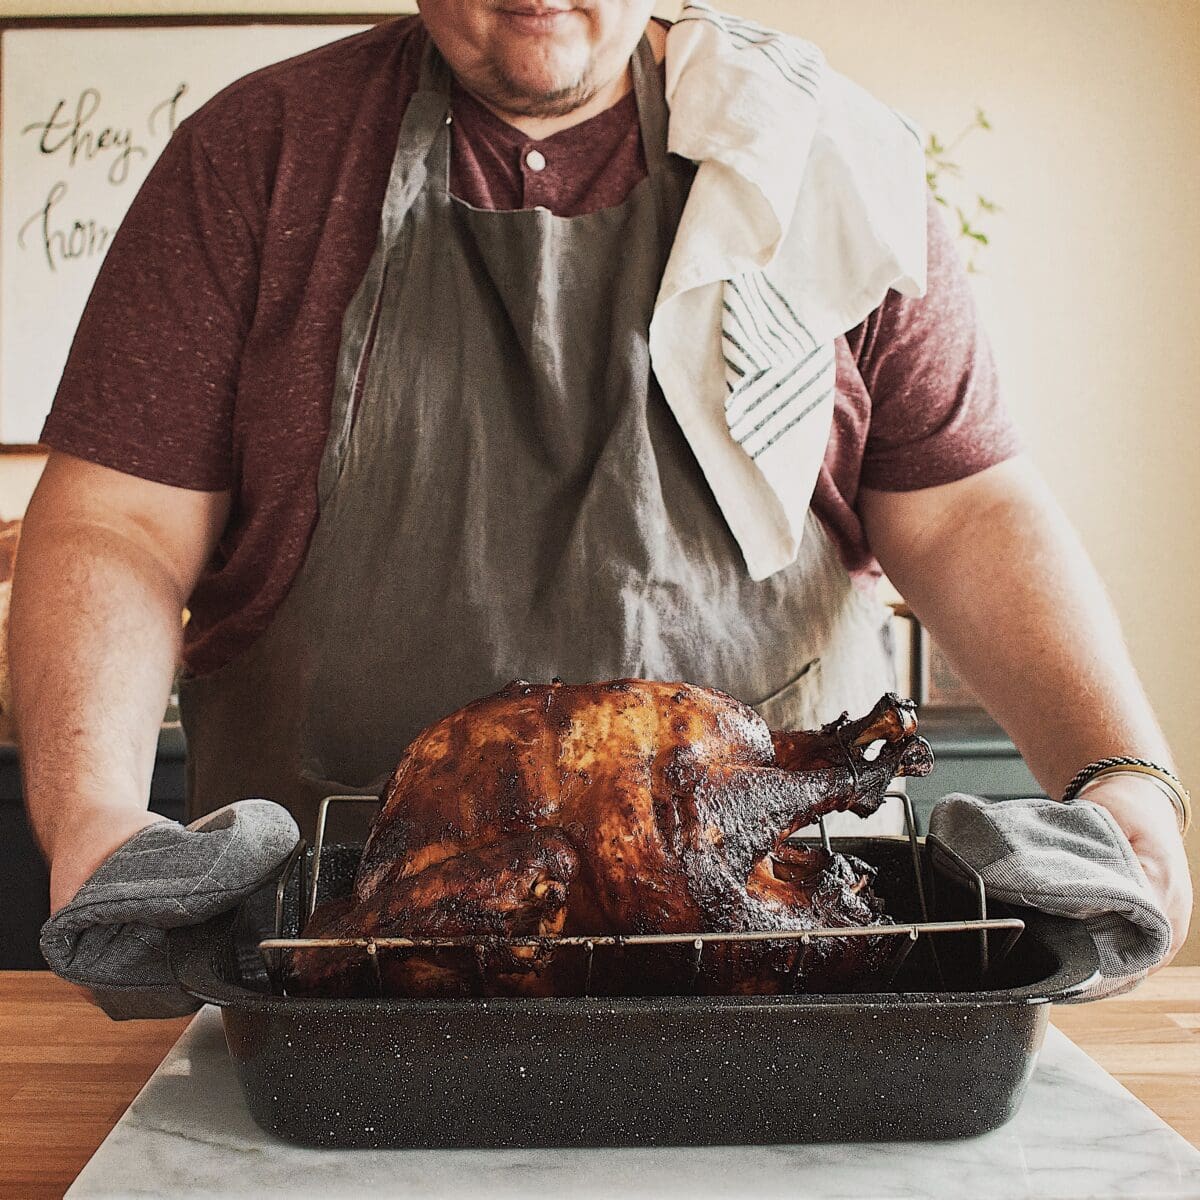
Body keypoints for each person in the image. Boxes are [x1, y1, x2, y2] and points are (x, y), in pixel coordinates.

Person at [11, 0, 1190, 977]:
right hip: (338, 969)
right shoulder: (256, 158)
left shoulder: (829, 164)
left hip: (783, 981)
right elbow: (117, 523)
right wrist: (98, 815)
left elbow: (969, 510)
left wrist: (1117, 772)